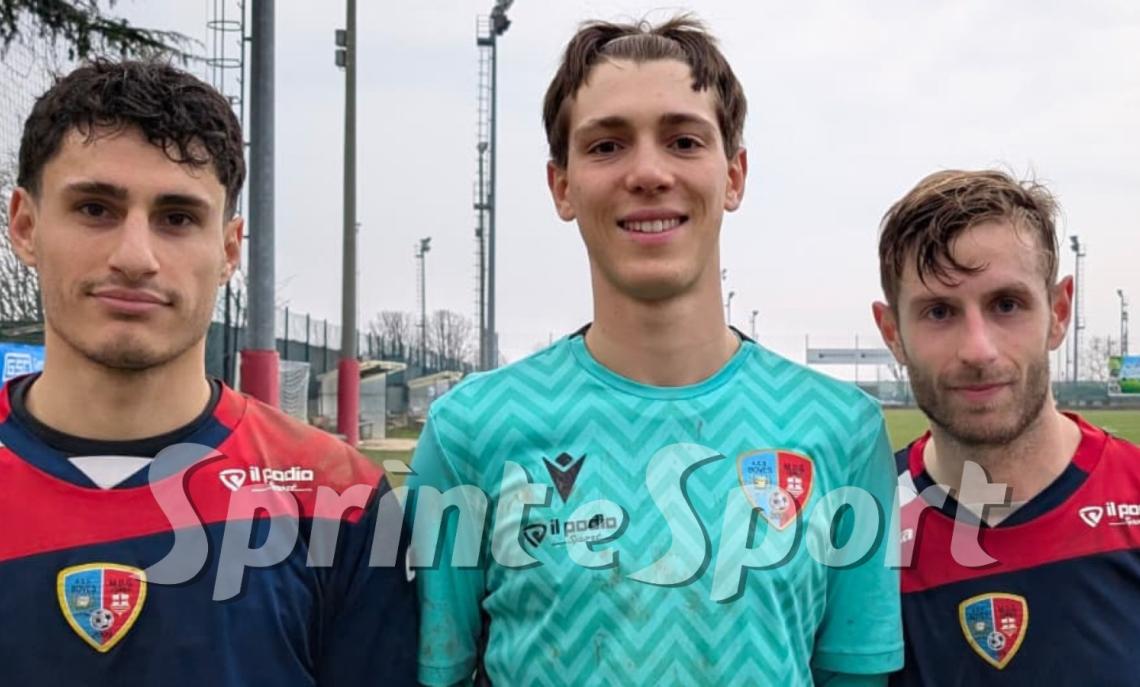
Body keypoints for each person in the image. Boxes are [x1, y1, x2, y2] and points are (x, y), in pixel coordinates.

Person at [409, 16, 902, 686]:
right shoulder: (470, 431)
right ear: (561, 186)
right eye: (607, 145)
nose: (647, 172)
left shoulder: (842, 430)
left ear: (734, 176)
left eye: (684, 141)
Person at [0, 59, 415, 684]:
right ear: (26, 226)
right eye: (94, 208)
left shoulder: (336, 498)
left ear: (228, 249)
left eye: (177, 218)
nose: (134, 256)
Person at [872, 170, 1140, 685]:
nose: (978, 350)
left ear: (1058, 311)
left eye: (1006, 305)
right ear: (893, 334)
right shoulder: (861, 530)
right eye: (939, 311)